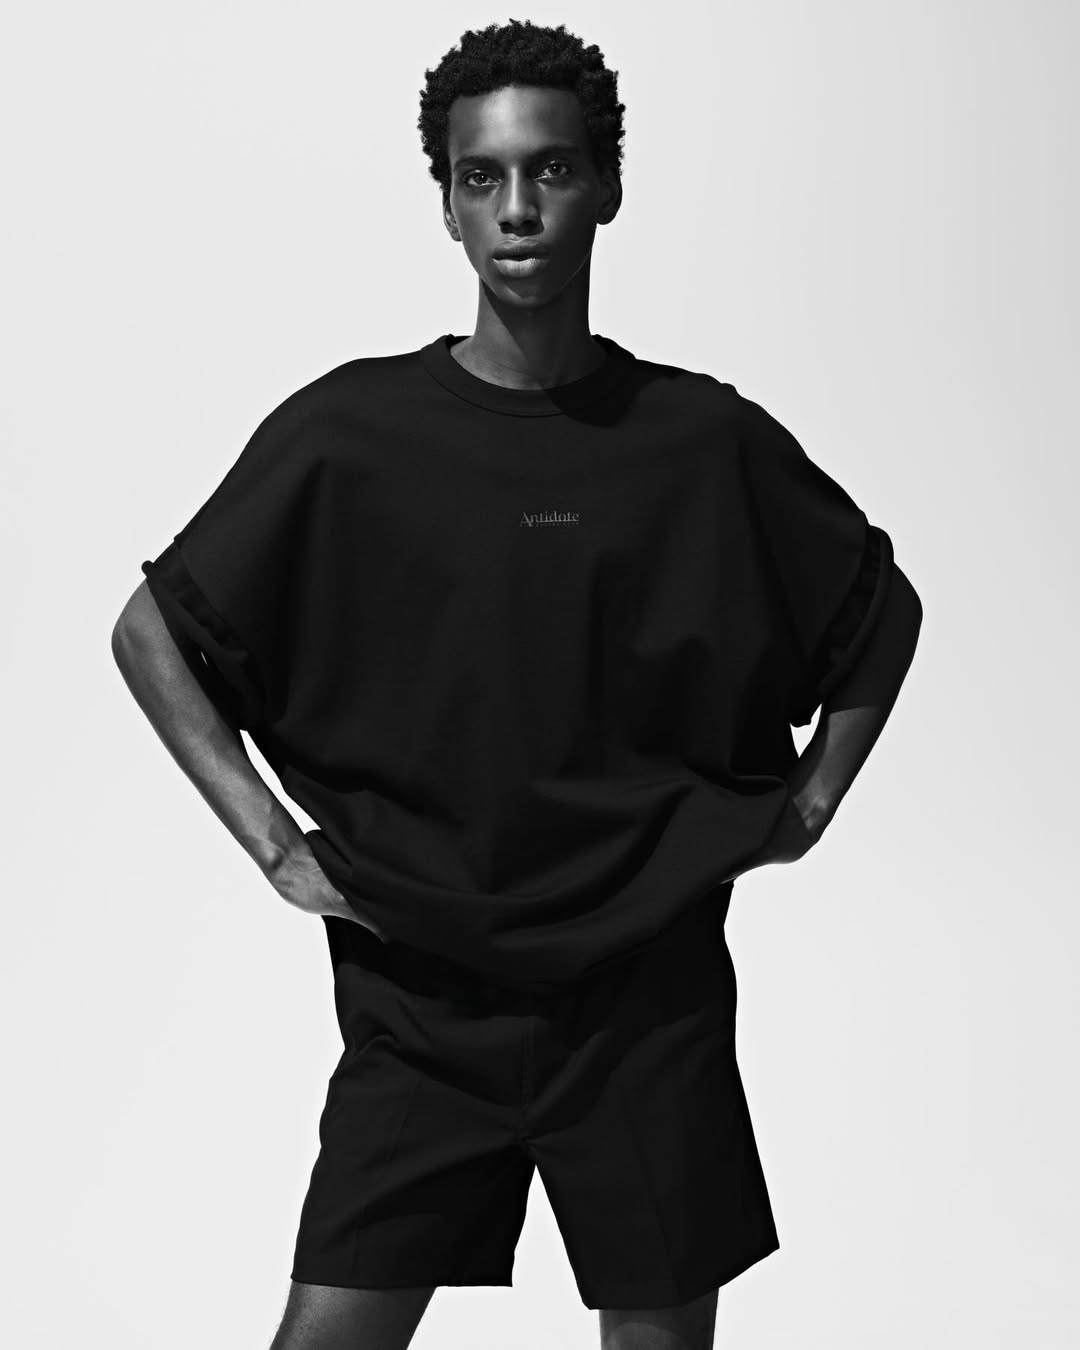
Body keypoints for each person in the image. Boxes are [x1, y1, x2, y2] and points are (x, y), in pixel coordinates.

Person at [111, 18, 922, 1350]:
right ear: (444, 203)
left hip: (646, 996)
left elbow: (880, 612)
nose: (519, 210)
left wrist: (813, 801)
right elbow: (153, 631)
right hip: (423, 994)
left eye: (550, 169)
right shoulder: (353, 433)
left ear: (607, 186)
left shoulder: (699, 438)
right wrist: (273, 844)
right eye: (480, 177)